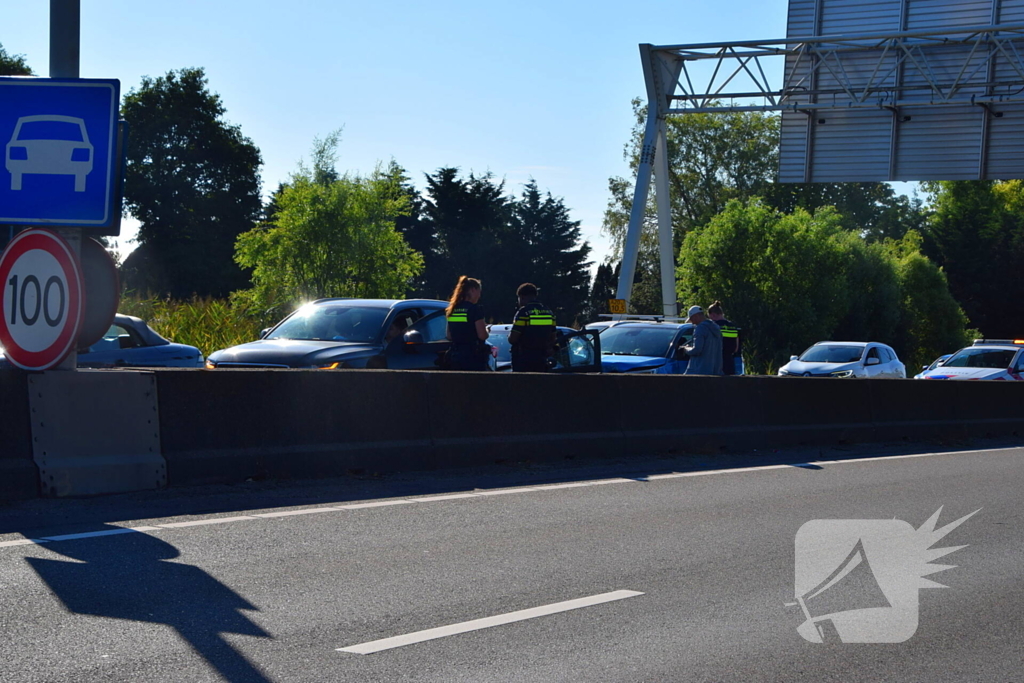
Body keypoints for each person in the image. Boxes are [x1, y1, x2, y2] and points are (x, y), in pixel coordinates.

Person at [508, 282, 557, 372]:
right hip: (542, 358)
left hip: (523, 359)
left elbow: (513, 339)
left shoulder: (524, 312)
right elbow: (553, 337)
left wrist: (509, 336)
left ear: (522, 297)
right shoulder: (549, 312)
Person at [445, 276, 491, 371]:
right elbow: (482, 336)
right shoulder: (474, 309)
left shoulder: (453, 310)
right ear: (473, 290)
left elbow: (449, 335)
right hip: (473, 358)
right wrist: (487, 330)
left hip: (455, 356)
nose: (479, 296)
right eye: (479, 292)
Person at [681, 304, 723, 375]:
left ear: (696, 316)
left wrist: (686, 349)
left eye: (691, 319)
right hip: (715, 371)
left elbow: (697, 350)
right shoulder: (716, 328)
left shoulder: (700, 328)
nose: (692, 323)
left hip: (700, 371)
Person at [707, 300, 741, 376]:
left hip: (716, 362)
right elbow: (736, 348)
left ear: (713, 315)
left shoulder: (713, 326)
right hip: (730, 362)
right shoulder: (733, 326)